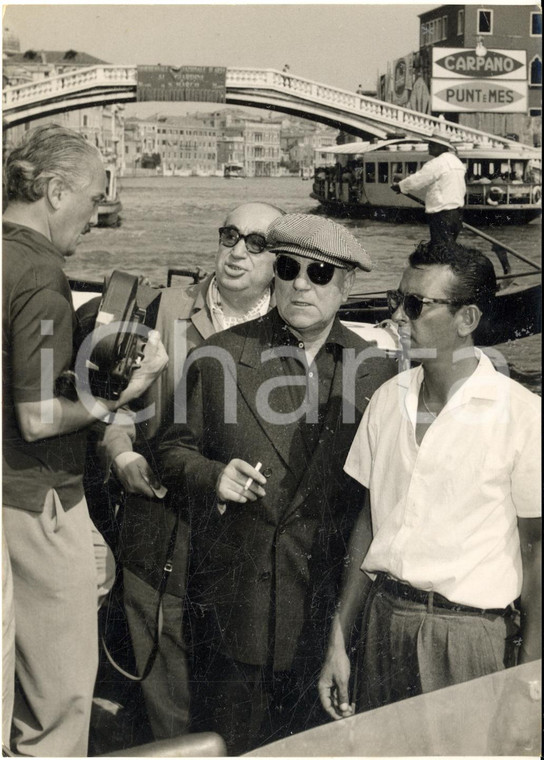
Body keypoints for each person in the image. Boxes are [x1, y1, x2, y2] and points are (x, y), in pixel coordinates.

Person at [158, 213, 396, 754]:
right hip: (235, 611)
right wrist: (212, 476)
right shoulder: (218, 355)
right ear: (274, 275)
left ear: (347, 286)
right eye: (288, 268)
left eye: (320, 273)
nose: (301, 285)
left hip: (329, 617)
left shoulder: (378, 371)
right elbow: (170, 452)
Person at [318, 241, 541, 722]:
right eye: (396, 300)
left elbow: (536, 555)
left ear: (467, 320)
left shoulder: (523, 417)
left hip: (469, 641)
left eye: (415, 305)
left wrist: (528, 682)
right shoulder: (385, 400)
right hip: (383, 625)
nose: (397, 316)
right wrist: (340, 638)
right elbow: (368, 524)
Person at [2, 124, 168, 757]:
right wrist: (122, 393)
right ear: (52, 190)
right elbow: (41, 418)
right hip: (32, 495)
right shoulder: (42, 274)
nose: (97, 218)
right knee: (60, 702)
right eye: (94, 199)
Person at [98, 202, 285, 740]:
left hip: (244, 547)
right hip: (161, 528)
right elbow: (114, 403)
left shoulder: (292, 322)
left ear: (279, 259)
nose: (237, 252)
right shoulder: (165, 308)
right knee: (170, 697)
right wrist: (122, 454)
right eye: (230, 236)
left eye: (256, 242)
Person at [391, 129, 466, 245]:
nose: (429, 146)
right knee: (449, 247)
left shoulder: (437, 163)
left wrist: (400, 186)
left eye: (432, 144)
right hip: (457, 214)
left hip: (442, 214)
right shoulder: (457, 163)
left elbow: (418, 179)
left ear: (442, 147)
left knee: (441, 249)